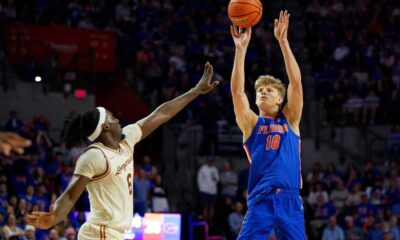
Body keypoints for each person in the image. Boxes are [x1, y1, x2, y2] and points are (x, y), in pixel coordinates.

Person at [26, 62, 218, 239]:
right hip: (99, 234)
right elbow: (70, 194)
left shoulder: (127, 138)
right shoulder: (95, 155)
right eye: (111, 117)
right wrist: (55, 217)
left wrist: (194, 92)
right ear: (105, 128)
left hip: (115, 234)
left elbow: (161, 114)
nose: (117, 119)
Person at [230, 10, 305, 239]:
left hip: (290, 200)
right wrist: (240, 50)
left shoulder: (290, 119)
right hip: (261, 199)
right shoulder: (252, 124)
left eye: (269, 90)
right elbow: (236, 92)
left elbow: (296, 81)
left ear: (279, 99)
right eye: (260, 90)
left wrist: (283, 41)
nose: (263, 92)